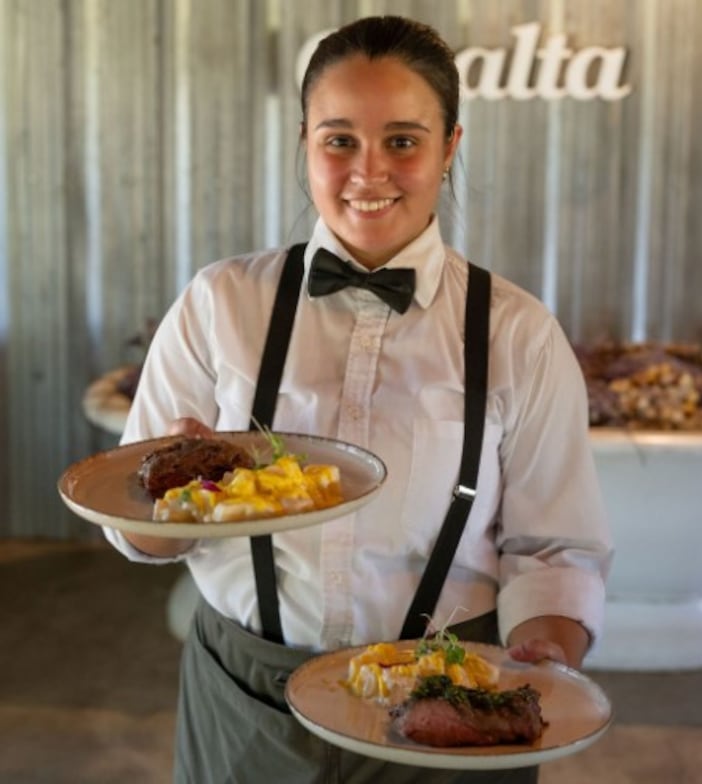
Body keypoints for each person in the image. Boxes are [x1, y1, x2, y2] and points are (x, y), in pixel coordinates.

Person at [104, 14, 612, 784]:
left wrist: (543, 650)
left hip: (448, 708)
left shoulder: (517, 333)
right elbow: (139, 537)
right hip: (245, 699)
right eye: (338, 140)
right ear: (304, 143)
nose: (367, 171)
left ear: (449, 148)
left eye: (402, 141)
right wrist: (169, 503)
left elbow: (552, 547)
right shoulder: (220, 304)